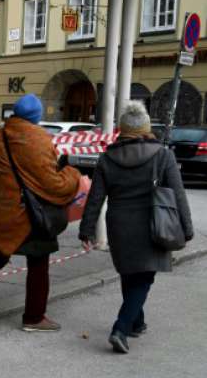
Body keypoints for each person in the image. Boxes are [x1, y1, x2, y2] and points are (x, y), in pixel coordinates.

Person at [0, 94, 81, 331]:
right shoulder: (38, 138)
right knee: (39, 262)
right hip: (27, 215)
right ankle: (34, 317)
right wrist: (71, 173)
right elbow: (52, 184)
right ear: (36, 116)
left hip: (0, 212)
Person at [79, 101, 193, 354]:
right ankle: (120, 328)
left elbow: (96, 197)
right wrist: (186, 227)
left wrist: (86, 229)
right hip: (153, 224)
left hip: (119, 225)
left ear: (121, 130)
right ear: (145, 129)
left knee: (130, 273)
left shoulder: (107, 157)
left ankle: (135, 322)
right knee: (143, 277)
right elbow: (178, 193)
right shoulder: (163, 155)